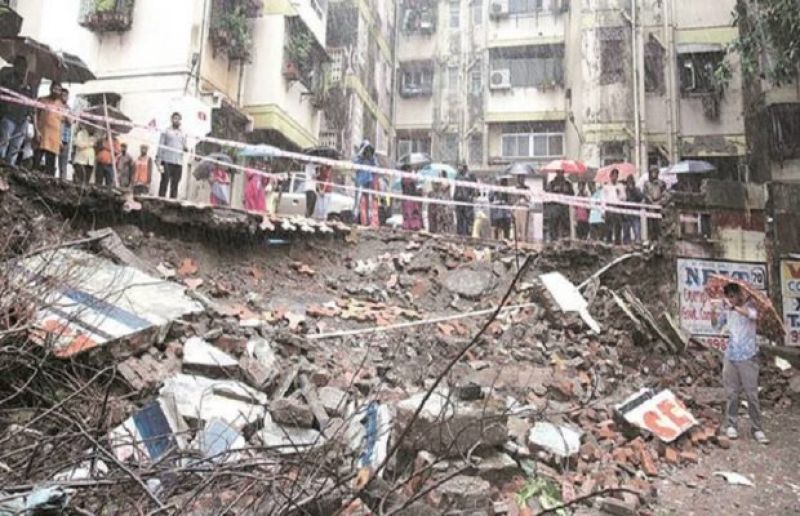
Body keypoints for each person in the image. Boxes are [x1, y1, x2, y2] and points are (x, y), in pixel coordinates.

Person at [711, 283, 769, 445]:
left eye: (732, 295)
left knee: (751, 394)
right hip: (731, 355)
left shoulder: (750, 306)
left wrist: (734, 308)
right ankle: (731, 424)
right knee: (732, 393)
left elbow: (753, 315)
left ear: (738, 295)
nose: (730, 299)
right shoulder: (727, 311)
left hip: (748, 356)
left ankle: (757, 428)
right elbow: (716, 326)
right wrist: (713, 312)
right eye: (727, 296)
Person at [0, 56, 34, 163]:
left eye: (25, 66)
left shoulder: (28, 82)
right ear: (15, 65)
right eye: (21, 65)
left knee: (15, 147)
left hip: (22, 119)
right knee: (3, 143)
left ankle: (9, 168)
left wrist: (29, 115)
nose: (23, 69)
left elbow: (31, 100)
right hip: (9, 116)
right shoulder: (6, 76)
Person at [33, 82, 65, 176]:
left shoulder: (61, 105)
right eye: (55, 89)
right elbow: (34, 114)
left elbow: (61, 123)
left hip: (54, 139)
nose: (56, 91)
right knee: (36, 163)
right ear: (50, 89)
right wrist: (36, 131)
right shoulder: (42, 100)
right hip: (41, 135)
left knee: (50, 167)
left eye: (59, 90)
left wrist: (60, 139)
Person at [157, 112, 188, 199]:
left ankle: (172, 201)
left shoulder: (183, 133)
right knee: (164, 181)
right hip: (167, 161)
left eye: (178, 119)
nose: (176, 120)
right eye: (175, 118)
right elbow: (161, 146)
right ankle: (161, 200)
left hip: (178, 162)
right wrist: (159, 160)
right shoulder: (166, 131)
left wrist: (186, 148)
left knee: (175, 183)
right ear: (171, 119)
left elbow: (184, 146)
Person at [353, 140, 379, 227]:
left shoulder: (371, 160)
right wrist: (361, 152)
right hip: (360, 182)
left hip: (368, 182)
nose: (367, 152)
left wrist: (372, 156)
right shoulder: (359, 159)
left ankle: (368, 220)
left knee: (369, 202)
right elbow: (354, 163)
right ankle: (355, 219)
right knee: (358, 201)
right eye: (366, 149)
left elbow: (376, 167)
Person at [547, 170, 574, 240]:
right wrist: (555, 191)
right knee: (553, 226)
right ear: (556, 173)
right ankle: (553, 240)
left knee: (566, 227)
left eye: (561, 172)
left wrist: (566, 192)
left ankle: (566, 240)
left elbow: (572, 195)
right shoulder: (552, 183)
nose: (560, 174)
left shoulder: (568, 184)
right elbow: (547, 195)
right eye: (559, 172)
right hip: (555, 208)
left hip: (565, 209)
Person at [602, 168, 626, 244]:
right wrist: (603, 211)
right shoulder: (606, 187)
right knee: (609, 226)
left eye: (616, 176)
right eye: (613, 175)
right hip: (609, 207)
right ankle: (608, 241)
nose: (614, 177)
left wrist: (619, 194)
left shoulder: (620, 186)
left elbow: (624, 198)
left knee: (618, 226)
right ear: (610, 176)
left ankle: (617, 242)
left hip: (617, 207)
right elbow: (603, 199)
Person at [643, 166, 667, 240]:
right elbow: (646, 194)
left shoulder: (661, 183)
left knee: (660, 224)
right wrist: (651, 202)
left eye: (655, 172)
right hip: (650, 206)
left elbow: (664, 194)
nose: (653, 174)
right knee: (651, 224)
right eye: (652, 172)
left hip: (659, 205)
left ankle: (660, 238)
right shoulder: (646, 183)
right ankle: (651, 238)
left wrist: (659, 202)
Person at [428, 170, 454, 234]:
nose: (438, 176)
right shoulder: (440, 182)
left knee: (446, 217)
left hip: (445, 202)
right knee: (440, 217)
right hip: (441, 202)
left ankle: (446, 231)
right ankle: (440, 230)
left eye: (440, 174)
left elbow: (444, 187)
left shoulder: (446, 182)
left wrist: (439, 183)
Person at [454, 164, 477, 236]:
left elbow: (474, 187)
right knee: (459, 219)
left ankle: (468, 234)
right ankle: (460, 234)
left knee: (468, 219)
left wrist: (471, 196)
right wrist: (455, 197)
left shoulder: (471, 175)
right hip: (459, 200)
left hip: (467, 201)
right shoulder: (457, 176)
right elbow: (456, 188)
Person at [400, 164, 423, 231]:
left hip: (409, 199)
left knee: (410, 212)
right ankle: (412, 225)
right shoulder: (407, 179)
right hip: (410, 199)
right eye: (409, 170)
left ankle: (411, 225)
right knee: (411, 212)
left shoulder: (405, 179)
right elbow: (411, 188)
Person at [623, 175, 644, 244]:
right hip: (626, 212)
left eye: (631, 182)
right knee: (626, 230)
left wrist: (633, 190)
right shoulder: (624, 190)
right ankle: (627, 242)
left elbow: (641, 198)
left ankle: (638, 241)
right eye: (628, 182)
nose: (629, 184)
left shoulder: (637, 189)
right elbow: (623, 199)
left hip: (635, 212)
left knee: (636, 228)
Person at [58, 88, 72, 180]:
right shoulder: (56, 106)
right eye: (63, 95)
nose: (65, 97)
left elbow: (70, 122)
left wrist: (66, 115)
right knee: (51, 161)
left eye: (66, 96)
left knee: (63, 164)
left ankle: (62, 181)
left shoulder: (68, 108)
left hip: (65, 139)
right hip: (55, 137)